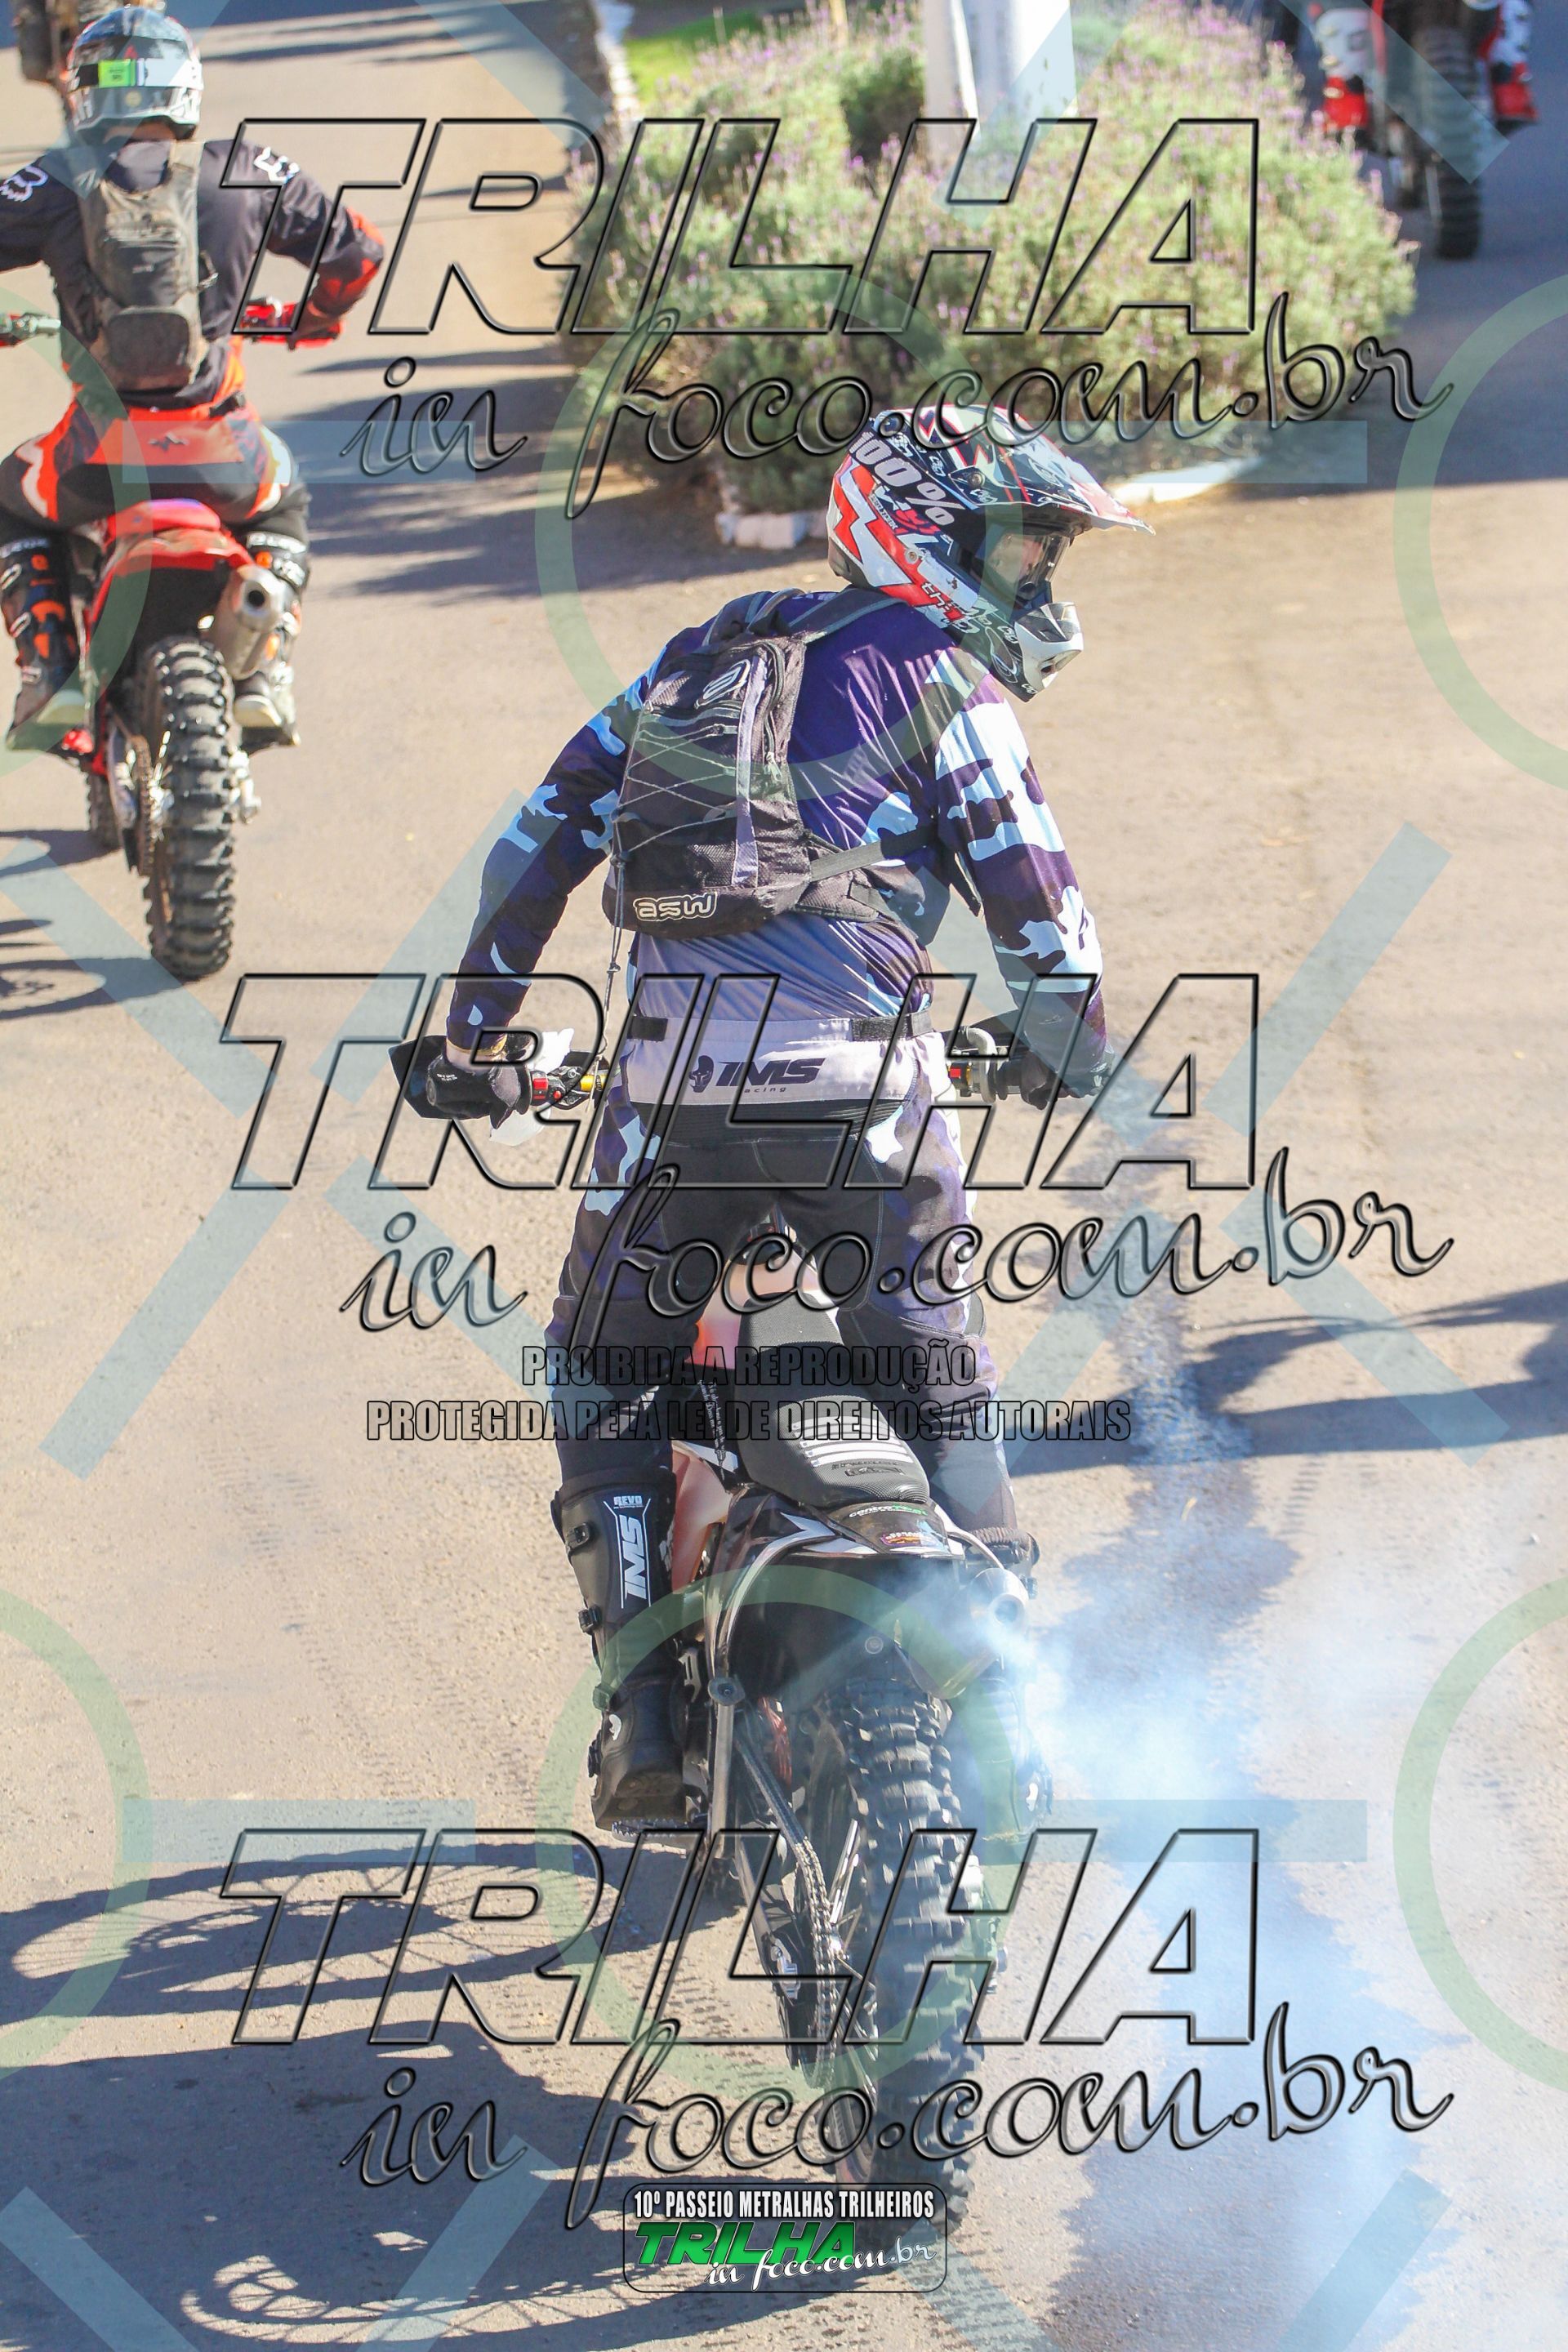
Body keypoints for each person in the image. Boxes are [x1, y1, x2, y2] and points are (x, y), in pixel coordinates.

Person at [437, 405, 1147, 1827]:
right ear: (921, 537)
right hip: (868, 1102)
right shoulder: (941, 680)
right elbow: (1041, 909)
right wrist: (1071, 1050)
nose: (1036, 579)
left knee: (604, 1369)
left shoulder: (688, 664)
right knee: (941, 1374)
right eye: (1017, 548)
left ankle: (644, 1704)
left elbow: (541, 837)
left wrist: (474, 1034)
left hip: (669, 1103)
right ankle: (1006, 1699)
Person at [0, 6, 383, 752]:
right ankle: (267, 666)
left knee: (10, 497)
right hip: (224, 456)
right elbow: (359, 253)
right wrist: (312, 316)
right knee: (285, 498)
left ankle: (48, 670)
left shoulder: (55, 177)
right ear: (184, 87)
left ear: (85, 93)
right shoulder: (245, 168)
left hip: (98, 459)